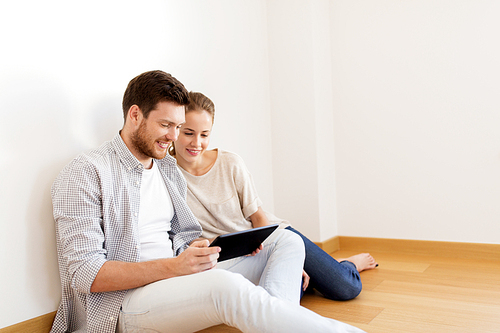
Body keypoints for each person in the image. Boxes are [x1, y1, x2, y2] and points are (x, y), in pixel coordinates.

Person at [50, 70, 366, 333]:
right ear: (135, 115)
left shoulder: (166, 168)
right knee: (225, 288)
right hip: (125, 304)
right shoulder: (86, 172)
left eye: (177, 126)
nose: (173, 137)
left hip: (178, 279)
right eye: (166, 125)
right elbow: (85, 274)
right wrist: (175, 266)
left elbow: (183, 238)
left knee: (286, 242)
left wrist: (207, 249)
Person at [170, 91, 378, 302]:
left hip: (271, 239)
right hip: (231, 258)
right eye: (188, 133)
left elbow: (258, 218)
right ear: (176, 129)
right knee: (281, 299)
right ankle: (318, 271)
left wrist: (284, 258)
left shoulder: (230, 163)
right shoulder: (165, 177)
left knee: (346, 287)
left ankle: (347, 264)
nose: (197, 143)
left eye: (204, 134)